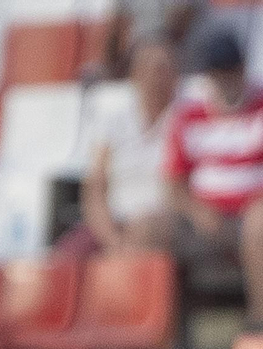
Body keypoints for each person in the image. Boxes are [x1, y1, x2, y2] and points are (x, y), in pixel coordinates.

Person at [166, 30, 263, 330]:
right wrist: (197, 211)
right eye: (215, 72)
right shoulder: (188, 116)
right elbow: (173, 183)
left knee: (261, 222)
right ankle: (162, 332)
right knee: (148, 229)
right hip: (211, 217)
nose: (222, 79)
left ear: (242, 69)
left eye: (228, 70)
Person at [62, 37, 179, 257]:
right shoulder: (113, 115)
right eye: (152, 69)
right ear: (136, 75)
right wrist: (112, 239)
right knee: (64, 259)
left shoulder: (186, 116)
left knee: (145, 233)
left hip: (163, 219)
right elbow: (95, 186)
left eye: (165, 69)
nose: (158, 78)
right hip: (116, 219)